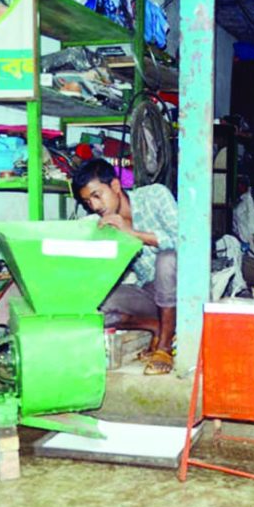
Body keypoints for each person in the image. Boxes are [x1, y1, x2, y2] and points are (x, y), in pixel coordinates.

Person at [72, 158, 178, 376]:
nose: (95, 206)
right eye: (87, 202)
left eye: (97, 195)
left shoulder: (155, 196)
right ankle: (156, 325)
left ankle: (164, 347)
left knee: (166, 259)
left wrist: (133, 233)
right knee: (94, 303)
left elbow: (186, 240)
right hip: (148, 293)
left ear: (116, 186)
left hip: (182, 289)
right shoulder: (102, 224)